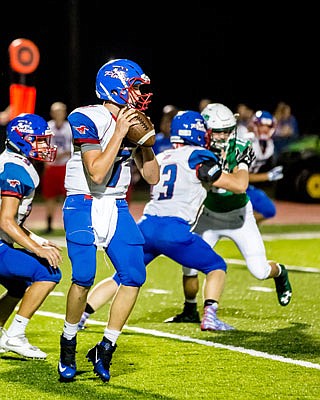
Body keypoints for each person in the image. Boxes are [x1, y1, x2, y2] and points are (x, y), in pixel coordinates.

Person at [77, 109, 255, 332]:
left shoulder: (162, 156)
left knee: (121, 277)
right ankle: (210, 316)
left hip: (147, 226)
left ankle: (82, 315)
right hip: (174, 229)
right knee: (216, 267)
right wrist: (243, 165)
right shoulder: (198, 156)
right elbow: (239, 186)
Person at [58, 58, 160, 383]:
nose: (141, 95)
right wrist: (120, 132)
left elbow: (153, 177)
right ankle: (68, 341)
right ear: (115, 87)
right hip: (83, 203)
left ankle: (106, 346)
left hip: (116, 204)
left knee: (134, 275)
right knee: (84, 277)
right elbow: (98, 171)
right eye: (135, 88)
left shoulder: (134, 120)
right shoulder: (85, 116)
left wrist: (144, 145)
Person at [163, 104, 292, 324]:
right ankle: (190, 310)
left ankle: (280, 273)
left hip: (238, 217)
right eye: (217, 131)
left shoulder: (241, 146)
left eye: (227, 130)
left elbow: (241, 185)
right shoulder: (195, 147)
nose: (223, 136)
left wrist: (211, 173)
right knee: (189, 265)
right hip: (208, 216)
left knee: (259, 271)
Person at [0, 113, 62, 358]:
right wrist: (38, 250)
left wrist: (36, 239)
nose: (45, 146)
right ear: (22, 140)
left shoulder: (13, 162)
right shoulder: (15, 169)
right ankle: (15, 336)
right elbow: (5, 220)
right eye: (39, 140)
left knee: (18, 284)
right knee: (49, 272)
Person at [246, 110, 284, 223]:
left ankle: (249, 234)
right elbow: (241, 175)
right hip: (231, 187)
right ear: (255, 125)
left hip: (245, 187)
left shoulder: (269, 146)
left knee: (268, 210)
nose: (264, 129)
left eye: (268, 126)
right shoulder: (246, 142)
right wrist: (268, 176)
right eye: (261, 125)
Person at [40, 102, 72, 233]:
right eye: (56, 111)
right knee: (50, 196)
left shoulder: (69, 127)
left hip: (65, 165)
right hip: (51, 166)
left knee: (68, 196)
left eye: (61, 111)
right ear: (52, 113)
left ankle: (69, 224)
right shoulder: (48, 126)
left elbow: (73, 147)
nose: (59, 114)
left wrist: (60, 155)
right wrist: (46, 160)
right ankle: (48, 224)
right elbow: (42, 145)